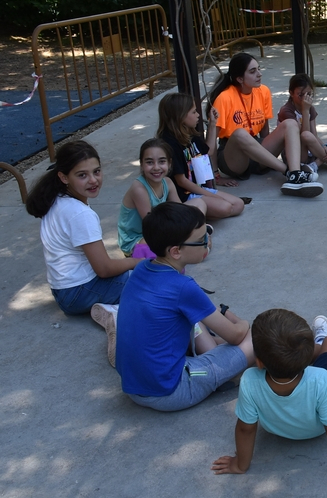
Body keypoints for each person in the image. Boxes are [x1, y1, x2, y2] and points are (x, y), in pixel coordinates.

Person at [113, 202, 254, 410]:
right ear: (176, 251)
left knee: (196, 325)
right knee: (259, 335)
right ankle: (222, 377)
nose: (208, 242)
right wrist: (242, 323)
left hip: (134, 386)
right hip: (171, 389)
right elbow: (236, 335)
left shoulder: (143, 267)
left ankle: (222, 370)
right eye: (201, 240)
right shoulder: (183, 286)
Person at [211, 308, 327, 479]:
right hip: (317, 427)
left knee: (300, 352)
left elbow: (246, 429)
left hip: (276, 429)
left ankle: (315, 345)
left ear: (258, 362)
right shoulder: (321, 378)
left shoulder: (249, 380)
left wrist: (240, 465)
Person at [25, 140, 140, 315]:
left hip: (63, 291)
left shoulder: (56, 198)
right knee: (155, 281)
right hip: (80, 291)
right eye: (82, 175)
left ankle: (112, 309)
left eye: (96, 171)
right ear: (64, 177)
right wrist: (137, 262)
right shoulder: (80, 214)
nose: (93, 180)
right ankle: (117, 317)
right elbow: (104, 269)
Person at [207, 53, 323, 198]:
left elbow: (264, 129)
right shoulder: (224, 98)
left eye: (259, 69)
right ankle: (290, 173)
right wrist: (216, 175)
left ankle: (294, 172)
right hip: (233, 155)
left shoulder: (263, 91)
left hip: (255, 146)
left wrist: (268, 156)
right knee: (240, 133)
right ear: (239, 79)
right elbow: (211, 140)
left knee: (290, 124)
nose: (259, 74)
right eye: (252, 71)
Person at [156, 92, 247, 219]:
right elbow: (181, 181)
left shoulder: (189, 133)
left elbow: (208, 151)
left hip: (198, 189)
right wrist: (212, 196)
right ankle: (190, 213)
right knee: (226, 207)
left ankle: (201, 211)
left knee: (238, 205)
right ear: (180, 116)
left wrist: (212, 124)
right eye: (193, 112)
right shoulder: (169, 143)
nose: (198, 115)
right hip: (184, 195)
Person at [117, 138, 201, 260]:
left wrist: (195, 229)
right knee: (168, 256)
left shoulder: (167, 182)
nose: (156, 167)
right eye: (149, 162)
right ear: (141, 164)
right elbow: (152, 228)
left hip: (159, 231)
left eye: (162, 161)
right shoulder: (139, 189)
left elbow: (181, 213)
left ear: (169, 163)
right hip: (139, 239)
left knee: (199, 203)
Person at [277, 73, 327, 171]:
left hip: (311, 151)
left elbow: (314, 135)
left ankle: (315, 165)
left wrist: (324, 147)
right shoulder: (287, 111)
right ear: (291, 93)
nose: (305, 98)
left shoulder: (310, 108)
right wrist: (305, 111)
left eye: (308, 94)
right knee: (306, 136)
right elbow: (304, 135)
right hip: (296, 155)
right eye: (300, 95)